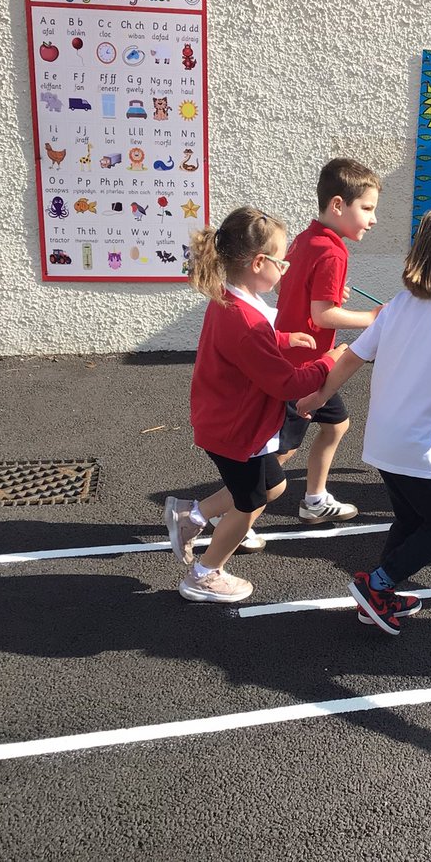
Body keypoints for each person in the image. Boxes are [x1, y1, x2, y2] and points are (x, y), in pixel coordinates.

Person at [297, 208, 431, 635]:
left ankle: (378, 595)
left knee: (412, 520)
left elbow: (355, 355)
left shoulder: (399, 305)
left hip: (383, 442)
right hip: (421, 450)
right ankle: (375, 583)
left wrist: (321, 394)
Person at [165, 206, 341, 603]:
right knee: (250, 502)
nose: (285, 269)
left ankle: (191, 516)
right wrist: (329, 362)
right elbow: (286, 384)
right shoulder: (247, 321)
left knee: (274, 484)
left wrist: (284, 341)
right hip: (234, 431)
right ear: (259, 262)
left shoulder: (233, 302)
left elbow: (250, 347)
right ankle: (204, 573)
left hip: (232, 422)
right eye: (281, 261)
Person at [272, 158, 382, 529]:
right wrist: (371, 318)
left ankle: (314, 500)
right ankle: (228, 512)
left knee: (336, 425)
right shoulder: (335, 251)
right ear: (338, 205)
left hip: (296, 356)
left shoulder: (307, 237)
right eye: (366, 208)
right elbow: (323, 316)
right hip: (303, 365)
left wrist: (332, 294)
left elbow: (286, 286)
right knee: (282, 450)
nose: (373, 218)